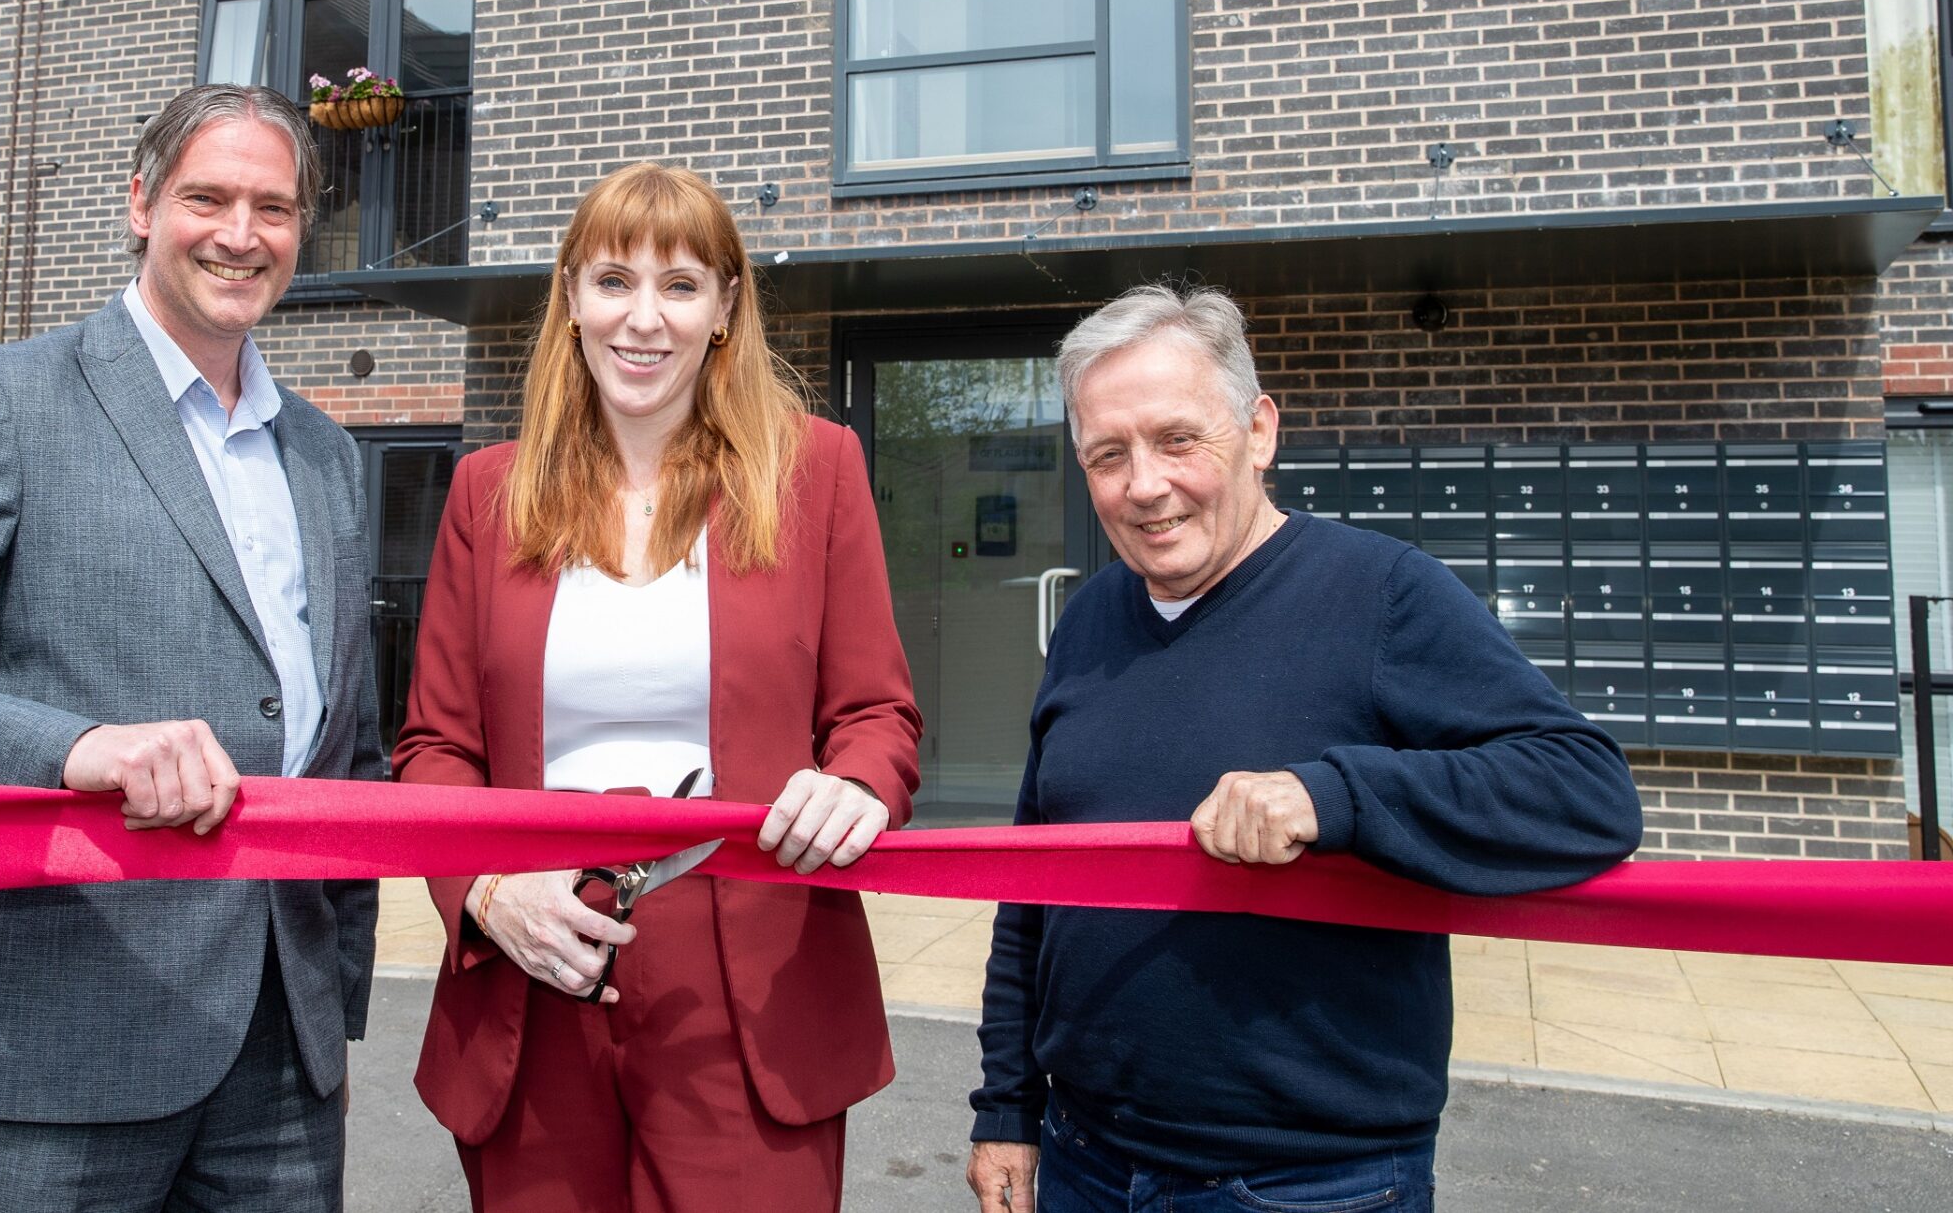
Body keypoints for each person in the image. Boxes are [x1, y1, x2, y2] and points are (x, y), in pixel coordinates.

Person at [0, 84, 382, 1213]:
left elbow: (348, 754)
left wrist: (329, 1020)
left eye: (273, 208)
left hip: (279, 1073)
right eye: (208, 199)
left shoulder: (326, 455)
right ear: (142, 204)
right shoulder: (5, 402)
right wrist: (77, 748)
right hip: (47, 1046)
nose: (241, 234)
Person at [966, 283, 1643, 1213]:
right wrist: (1007, 1105)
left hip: (1308, 1182)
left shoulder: (1384, 594)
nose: (1144, 484)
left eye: (1177, 439)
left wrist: (1333, 797)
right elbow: (1034, 886)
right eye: (1108, 455)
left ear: (1258, 432)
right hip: (1086, 1158)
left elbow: (1586, 789)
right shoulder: (1086, 622)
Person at [393, 161, 923, 1213]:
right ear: (571, 300)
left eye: (680, 285)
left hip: (751, 974)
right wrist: (486, 896)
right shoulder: (487, 492)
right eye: (613, 281)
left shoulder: (816, 471)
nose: (644, 319)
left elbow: (876, 714)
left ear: (725, 308)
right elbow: (435, 749)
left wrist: (858, 784)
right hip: (537, 955)